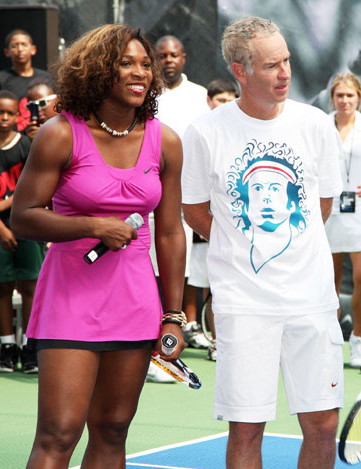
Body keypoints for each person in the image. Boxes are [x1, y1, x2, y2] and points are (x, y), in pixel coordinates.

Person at [9, 25, 186, 467]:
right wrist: (91, 224)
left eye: (145, 64)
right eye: (126, 63)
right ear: (98, 70)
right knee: (58, 433)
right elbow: (24, 215)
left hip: (135, 302)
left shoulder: (165, 140)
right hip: (70, 298)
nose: (140, 72)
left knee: (112, 431)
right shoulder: (60, 134)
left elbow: (168, 233)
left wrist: (173, 316)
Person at [181, 17, 343, 468]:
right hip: (243, 304)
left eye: (287, 60)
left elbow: (322, 205)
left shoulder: (315, 124)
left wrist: (290, 243)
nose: (285, 73)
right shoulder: (205, 132)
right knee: (247, 430)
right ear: (240, 71)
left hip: (312, 300)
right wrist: (242, 239)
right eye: (272, 65)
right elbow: (193, 211)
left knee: (323, 426)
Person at [0, 90, 45, 374]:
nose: (4, 118)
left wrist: (0, 206)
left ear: (18, 115)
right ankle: (6, 349)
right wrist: (0, 226)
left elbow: (32, 187)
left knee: (29, 287)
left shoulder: (28, 147)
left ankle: (29, 348)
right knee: (1, 289)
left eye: (9, 113)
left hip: (28, 224)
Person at [149, 34, 211, 360]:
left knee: (180, 256)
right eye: (163, 55)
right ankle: (150, 326)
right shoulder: (144, 93)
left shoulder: (200, 95)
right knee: (148, 259)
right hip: (148, 187)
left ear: (183, 58)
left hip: (187, 187)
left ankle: (180, 324)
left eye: (174, 55)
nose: (168, 60)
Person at [324, 73, 361, 368]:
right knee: (328, 282)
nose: (344, 101)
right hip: (328, 210)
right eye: (339, 96)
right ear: (332, 98)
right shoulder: (321, 125)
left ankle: (358, 341)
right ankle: (331, 343)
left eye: (350, 96)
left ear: (359, 98)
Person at [186, 78, 240, 362]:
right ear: (209, 101)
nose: (226, 106)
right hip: (205, 226)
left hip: (239, 228)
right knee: (212, 286)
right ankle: (218, 342)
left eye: (232, 100)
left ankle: (237, 342)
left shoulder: (243, 133)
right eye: (220, 100)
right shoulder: (200, 133)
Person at [0, 29, 51, 133]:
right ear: (7, 52)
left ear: (33, 49)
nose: (20, 49)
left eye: (24, 45)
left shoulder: (47, 78)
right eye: (14, 46)